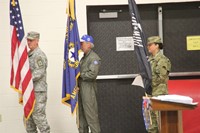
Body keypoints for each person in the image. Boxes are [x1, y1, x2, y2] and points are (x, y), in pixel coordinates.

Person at [25, 31, 50, 133]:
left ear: (37, 41)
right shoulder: (28, 55)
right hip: (29, 91)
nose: (29, 43)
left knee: (39, 117)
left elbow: (39, 72)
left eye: (31, 40)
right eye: (28, 40)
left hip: (38, 91)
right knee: (29, 119)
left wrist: (26, 80)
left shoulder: (39, 55)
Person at [147, 36, 171, 133]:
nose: (148, 47)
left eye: (150, 45)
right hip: (150, 93)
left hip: (159, 94)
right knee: (151, 123)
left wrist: (149, 82)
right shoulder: (149, 60)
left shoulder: (162, 60)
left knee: (160, 121)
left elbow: (162, 78)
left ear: (157, 45)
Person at [77, 34, 101, 133]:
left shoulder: (94, 58)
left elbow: (92, 74)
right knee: (82, 119)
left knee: (92, 119)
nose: (81, 45)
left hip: (88, 90)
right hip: (81, 89)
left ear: (89, 45)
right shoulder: (84, 58)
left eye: (82, 43)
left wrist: (79, 74)